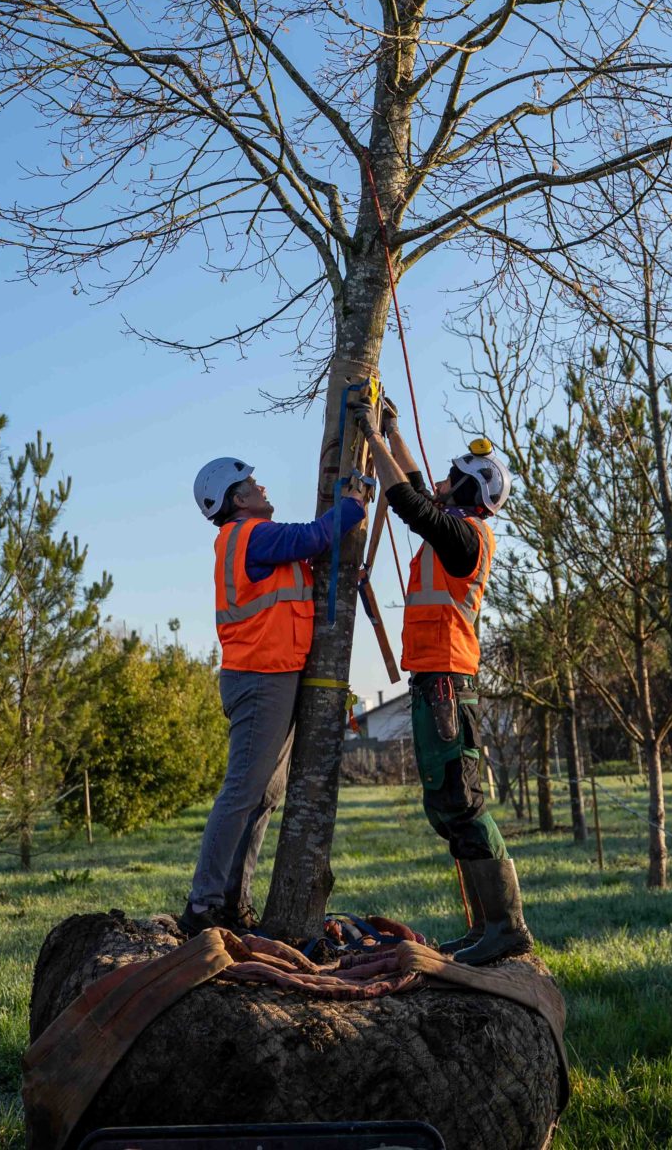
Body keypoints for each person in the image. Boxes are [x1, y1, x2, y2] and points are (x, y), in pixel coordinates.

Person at [356, 397, 532, 964]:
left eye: (453, 479)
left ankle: (506, 927)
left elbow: (408, 501)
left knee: (462, 800)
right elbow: (414, 486)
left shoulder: (466, 538)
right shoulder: (456, 524)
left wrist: (372, 438)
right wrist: (392, 431)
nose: (441, 480)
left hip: (448, 682)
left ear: (470, 494)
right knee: (444, 803)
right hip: (435, 678)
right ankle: (486, 928)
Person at [177, 455, 366, 938]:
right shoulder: (252, 536)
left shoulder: (252, 542)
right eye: (252, 484)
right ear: (238, 500)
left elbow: (305, 563)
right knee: (242, 792)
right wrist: (353, 504)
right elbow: (312, 536)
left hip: (271, 677)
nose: (262, 487)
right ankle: (203, 905)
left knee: (263, 796)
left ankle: (232, 902)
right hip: (260, 679)